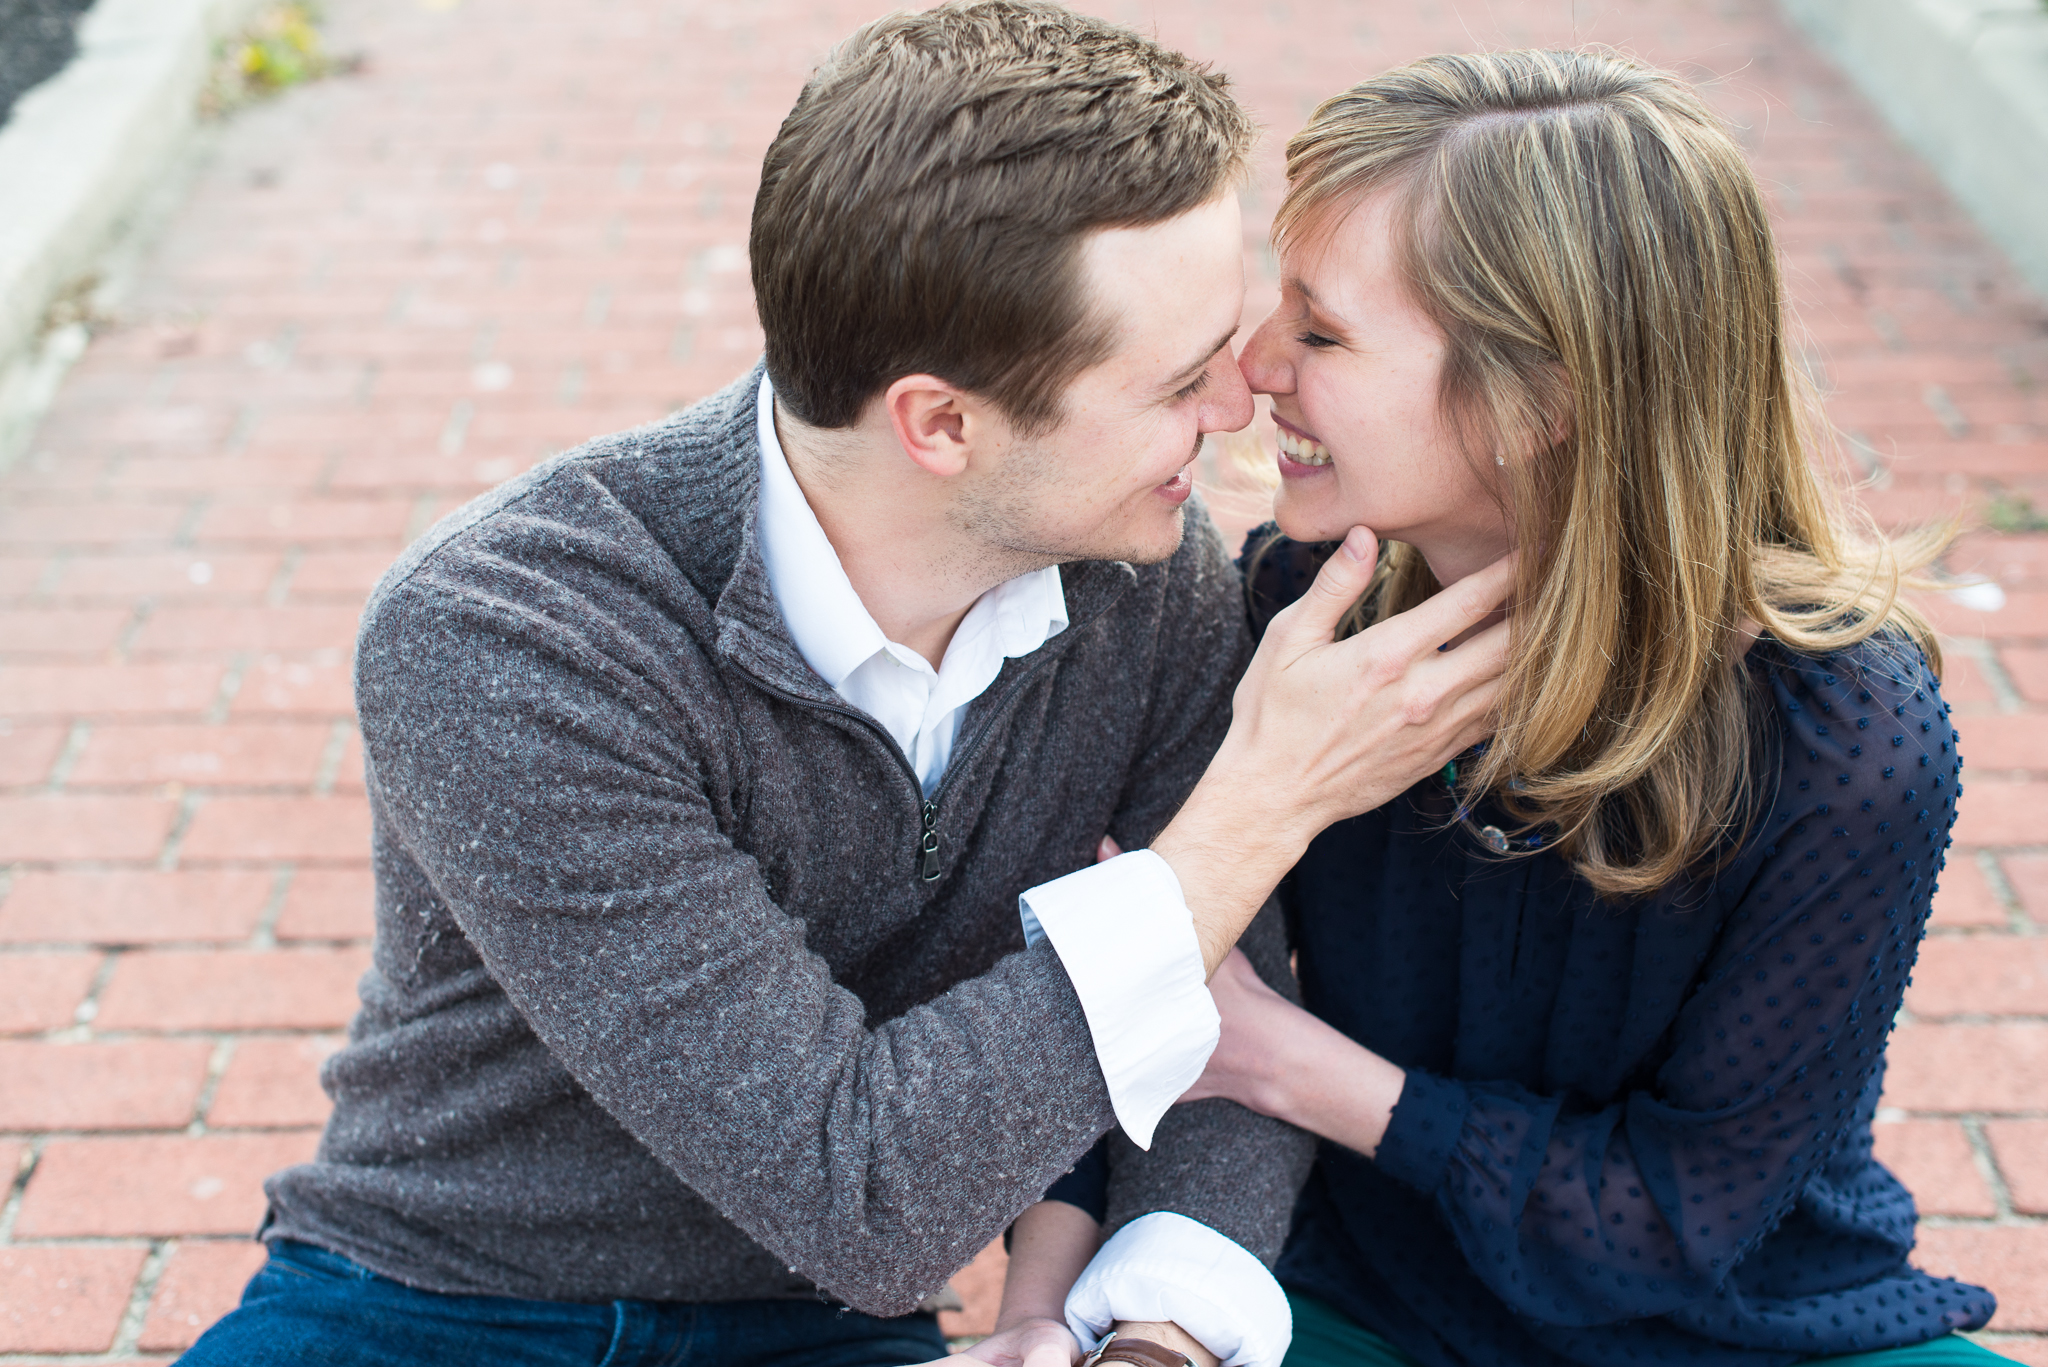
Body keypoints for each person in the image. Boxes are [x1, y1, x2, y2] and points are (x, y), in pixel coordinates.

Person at [174, 6, 1513, 1367]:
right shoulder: (509, 636)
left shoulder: (1142, 582)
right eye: (1178, 380)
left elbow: (1218, 1029)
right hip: (434, 1298)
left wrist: (1149, 1337)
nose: (1239, 406)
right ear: (942, 423)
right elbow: (864, 1193)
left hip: (816, 1331)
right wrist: (1259, 807)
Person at [995, 47, 2006, 1367]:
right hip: (1347, 1300)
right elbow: (1104, 1008)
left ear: (1545, 397)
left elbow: (1679, 1217)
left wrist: (1287, 1063)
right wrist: (1031, 1318)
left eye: (1322, 331)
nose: (1253, 370)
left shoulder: (1846, 743)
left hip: (1723, 1334)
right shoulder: (1300, 619)